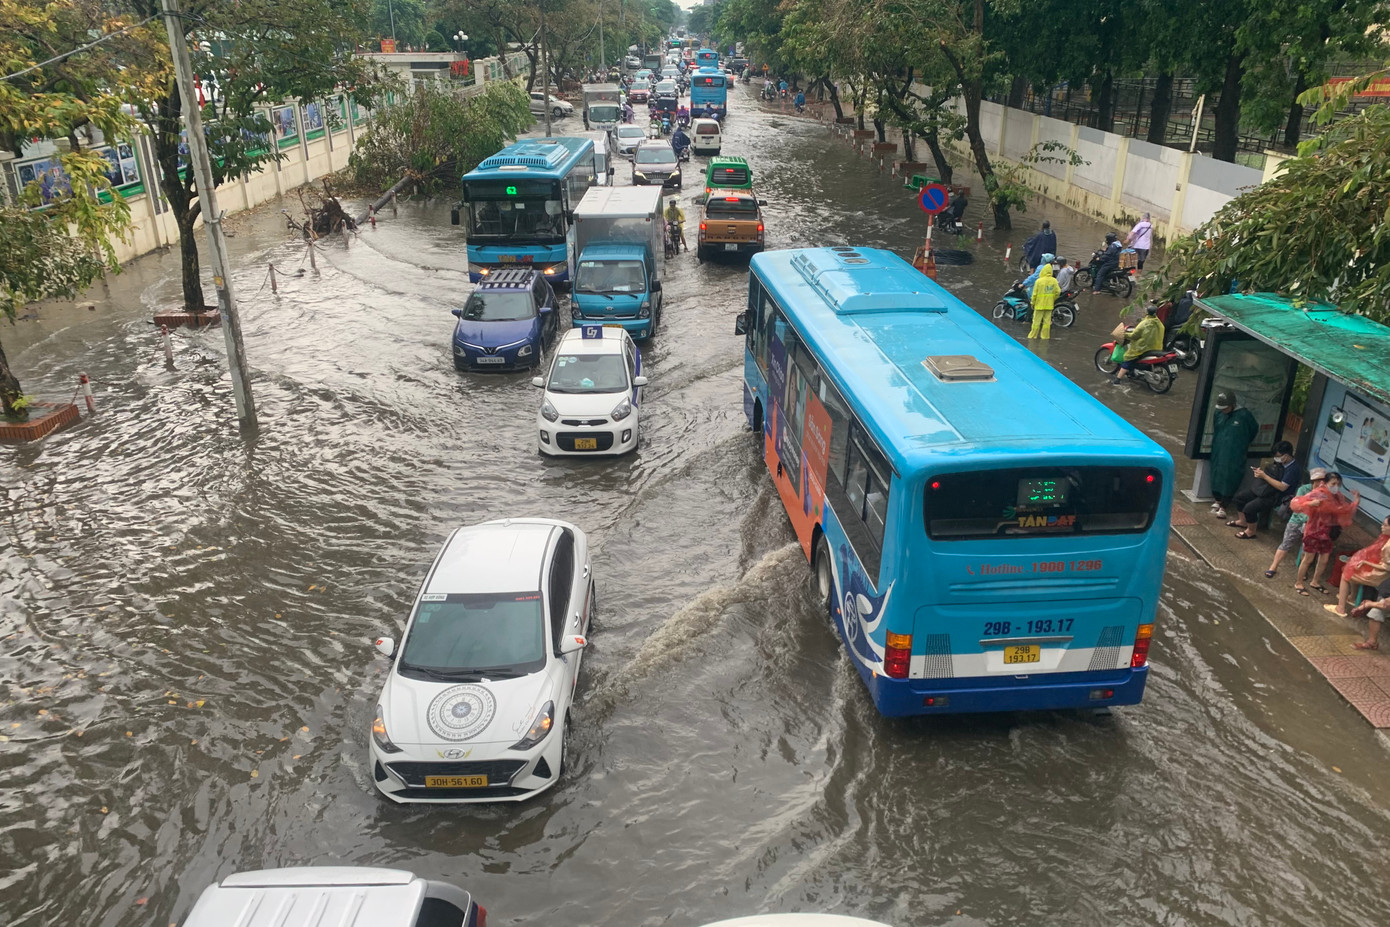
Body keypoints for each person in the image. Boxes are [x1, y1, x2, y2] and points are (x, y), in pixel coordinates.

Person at [1292, 472, 1358, 595]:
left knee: (1324, 559)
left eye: (1338, 484)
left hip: (1327, 533)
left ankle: (1315, 581)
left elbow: (1345, 510)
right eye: (1333, 483)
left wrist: (1356, 502)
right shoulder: (1318, 493)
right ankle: (1299, 582)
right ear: (1326, 483)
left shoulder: (1339, 497)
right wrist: (1310, 504)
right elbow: (1297, 504)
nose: (1336, 486)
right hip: (1313, 531)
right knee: (1308, 558)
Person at [1227, 441, 1300, 539]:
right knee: (1240, 497)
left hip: (1278, 496)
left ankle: (1251, 531)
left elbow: (1282, 487)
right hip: (1266, 489)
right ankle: (1242, 521)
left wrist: (1264, 476)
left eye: (1278, 456)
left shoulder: (1293, 469)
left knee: (1250, 508)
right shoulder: (1280, 463)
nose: (1276, 459)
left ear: (1286, 456)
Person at [1207, 391, 1259, 517]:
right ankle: (1217, 499)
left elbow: (1253, 429)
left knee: (1231, 477)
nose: (1223, 410)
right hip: (1219, 449)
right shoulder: (1218, 413)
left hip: (1235, 453)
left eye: (1226, 408)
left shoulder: (1244, 415)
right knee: (1216, 473)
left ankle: (1224, 504)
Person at [1265, 469, 1324, 579]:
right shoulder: (1303, 489)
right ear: (1313, 480)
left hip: (1312, 525)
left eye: (1322, 481)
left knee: (1306, 548)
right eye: (1317, 480)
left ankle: (1303, 569)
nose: (1320, 483)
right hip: (1297, 520)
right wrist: (1310, 504)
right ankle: (1273, 566)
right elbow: (1297, 505)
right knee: (1286, 543)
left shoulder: (1324, 494)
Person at [1327, 516, 1390, 618]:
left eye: (1385, 525)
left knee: (1345, 575)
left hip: (1381, 575)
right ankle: (1352, 597)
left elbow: (1386, 567)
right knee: (1353, 567)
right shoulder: (1386, 538)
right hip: (1381, 570)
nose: (1382, 527)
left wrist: (1366, 562)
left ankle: (1340, 608)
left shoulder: (1388, 545)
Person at [1111, 303, 1165, 383]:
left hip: (1144, 348)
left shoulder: (1144, 323)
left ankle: (1117, 379)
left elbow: (1134, 336)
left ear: (1147, 313)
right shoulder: (1160, 324)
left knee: (1128, 358)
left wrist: (1124, 334)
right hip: (1157, 348)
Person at [1351, 575, 1390, 650]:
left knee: (1377, 610)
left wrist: (1368, 604)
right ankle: (1372, 642)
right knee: (1375, 613)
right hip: (1385, 596)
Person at [1028, 262, 1061, 340]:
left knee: (1036, 322)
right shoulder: (1054, 281)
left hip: (1039, 305)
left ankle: (1033, 336)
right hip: (1049, 305)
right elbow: (1058, 292)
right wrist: (1053, 298)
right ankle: (1045, 337)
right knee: (1047, 323)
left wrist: (1032, 303)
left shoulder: (1039, 281)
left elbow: (1034, 294)